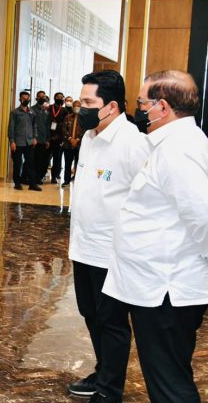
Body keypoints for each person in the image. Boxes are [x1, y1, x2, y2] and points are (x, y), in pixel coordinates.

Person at [103, 70, 208, 403]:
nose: (139, 109)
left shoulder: (178, 150)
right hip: (158, 287)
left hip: (166, 290)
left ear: (162, 107)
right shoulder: (173, 144)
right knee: (169, 377)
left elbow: (203, 219)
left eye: (142, 103)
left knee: (170, 385)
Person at [66, 70, 150, 402]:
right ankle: (103, 371)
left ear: (111, 106)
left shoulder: (133, 143)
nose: (81, 108)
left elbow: (148, 200)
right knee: (90, 314)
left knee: (112, 322)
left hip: (113, 253)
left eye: (88, 102)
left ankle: (110, 389)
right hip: (83, 247)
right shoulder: (89, 138)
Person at [8, 91, 41, 191]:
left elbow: (34, 125)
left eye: (27, 98)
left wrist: (35, 137)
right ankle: (17, 183)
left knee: (30, 163)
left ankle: (32, 184)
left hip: (29, 142)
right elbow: (11, 127)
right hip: (18, 142)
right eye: (23, 98)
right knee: (18, 163)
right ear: (20, 99)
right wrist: (12, 141)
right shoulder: (15, 112)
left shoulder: (32, 112)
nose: (25, 100)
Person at [61, 99, 84, 187]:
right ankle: (66, 181)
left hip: (79, 146)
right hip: (68, 145)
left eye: (78, 106)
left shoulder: (84, 118)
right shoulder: (68, 117)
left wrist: (77, 139)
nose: (76, 108)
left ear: (81, 107)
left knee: (79, 163)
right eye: (75, 106)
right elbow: (64, 129)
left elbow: (85, 131)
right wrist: (70, 139)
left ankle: (77, 180)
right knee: (67, 163)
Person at [49, 92, 68, 184]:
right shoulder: (49, 108)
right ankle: (41, 175)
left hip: (59, 138)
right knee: (46, 158)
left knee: (57, 159)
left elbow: (66, 125)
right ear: (54, 98)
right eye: (58, 97)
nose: (59, 98)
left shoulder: (64, 110)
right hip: (48, 137)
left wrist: (62, 137)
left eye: (61, 97)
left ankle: (54, 176)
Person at [32, 90, 51, 184]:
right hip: (35, 140)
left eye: (44, 96)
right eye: (40, 96)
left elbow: (48, 126)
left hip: (44, 140)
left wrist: (48, 139)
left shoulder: (47, 111)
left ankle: (40, 176)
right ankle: (35, 179)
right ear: (36, 98)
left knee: (44, 162)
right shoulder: (31, 110)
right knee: (35, 161)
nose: (42, 98)